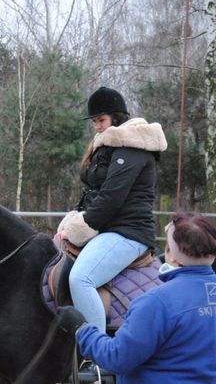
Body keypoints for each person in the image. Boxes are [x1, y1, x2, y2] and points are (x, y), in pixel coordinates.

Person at [56, 211, 216, 384]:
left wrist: (82, 328)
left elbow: (116, 358)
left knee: (80, 278)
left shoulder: (156, 302)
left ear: (172, 255)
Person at [54, 86, 167, 332]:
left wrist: (81, 227)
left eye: (101, 120)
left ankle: (96, 349)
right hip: (108, 228)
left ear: (116, 117)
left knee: (81, 278)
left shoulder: (133, 147)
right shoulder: (109, 147)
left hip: (129, 232)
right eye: (94, 122)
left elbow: (111, 198)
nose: (97, 126)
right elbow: (93, 193)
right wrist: (74, 219)